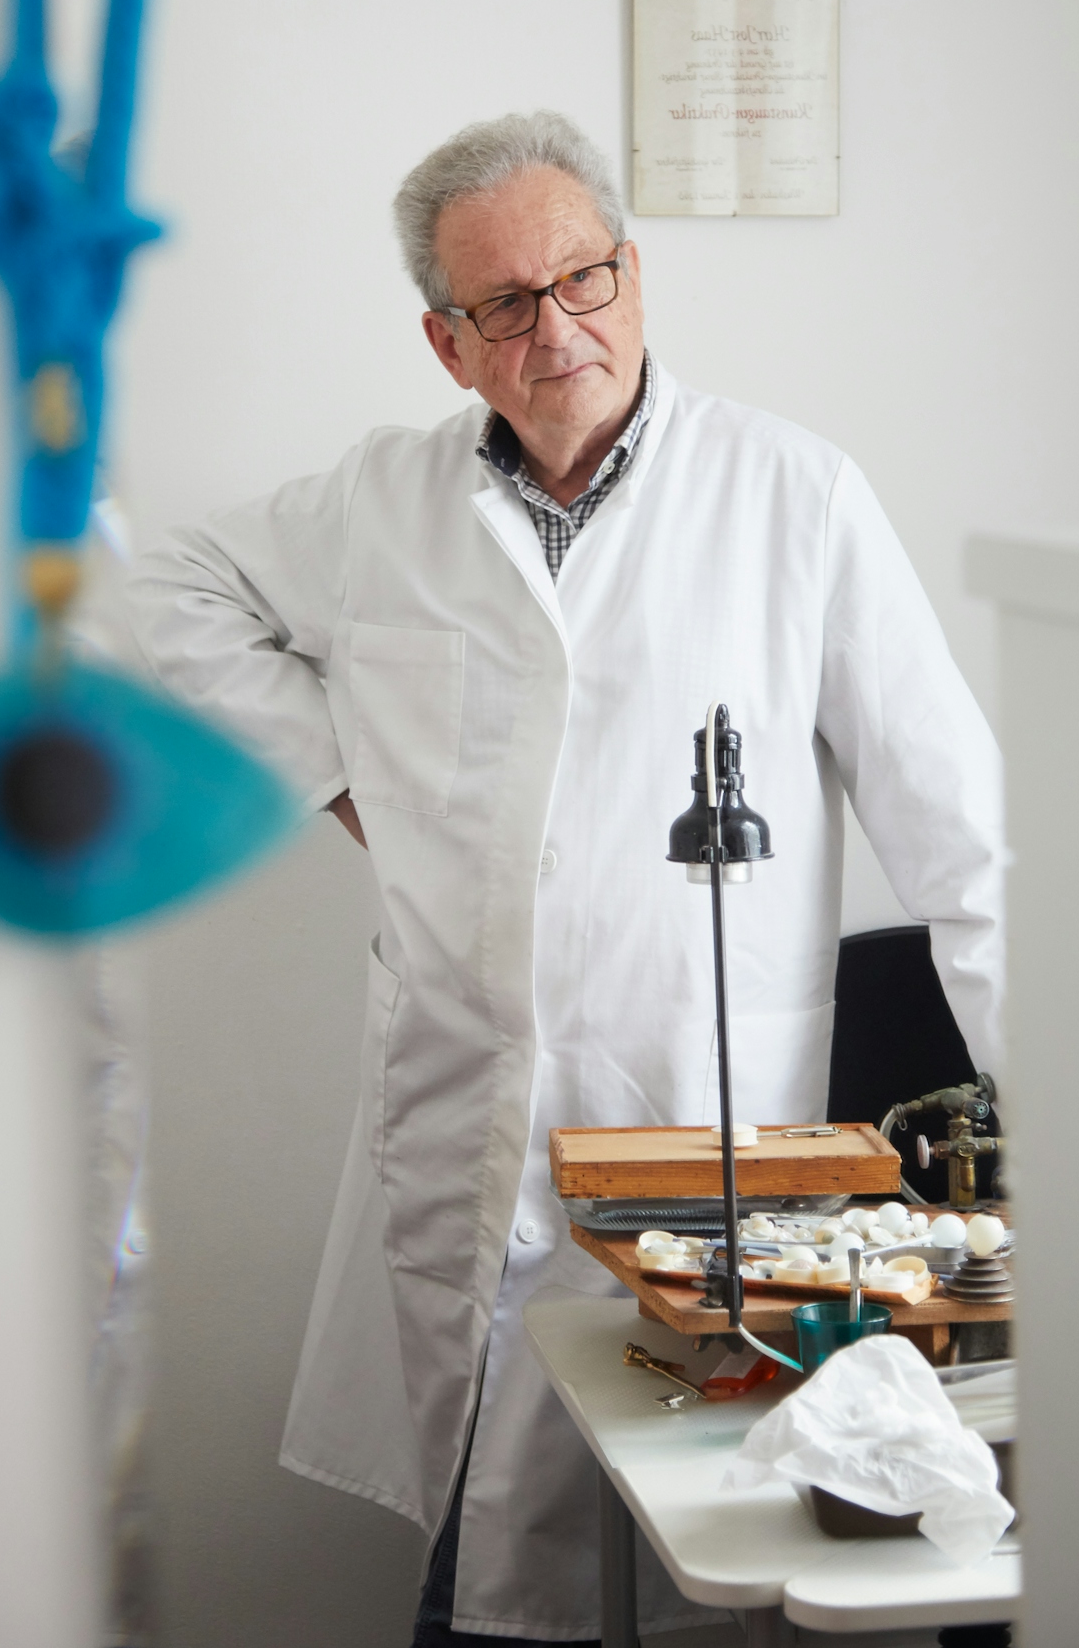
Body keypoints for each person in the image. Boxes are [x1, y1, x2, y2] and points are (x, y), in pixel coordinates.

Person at [127, 111, 1004, 1644]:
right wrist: (347, 781)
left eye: (583, 279)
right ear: (446, 342)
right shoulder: (378, 505)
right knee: (485, 1563)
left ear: (633, 273)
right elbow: (163, 591)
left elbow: (965, 845)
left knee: (702, 1560)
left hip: (708, 1134)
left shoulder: (791, 496)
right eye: (504, 307)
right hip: (468, 1139)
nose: (558, 330)